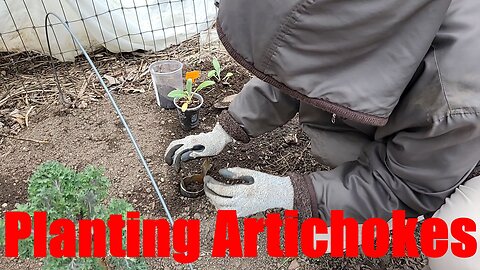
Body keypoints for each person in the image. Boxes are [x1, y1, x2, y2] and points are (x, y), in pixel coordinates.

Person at [165, 0, 480, 268]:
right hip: (444, 131)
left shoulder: (457, 97)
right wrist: (226, 130)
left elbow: (403, 187)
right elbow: (300, 62)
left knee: (457, 247)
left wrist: (286, 192)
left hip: (457, 138)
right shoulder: (365, 15)